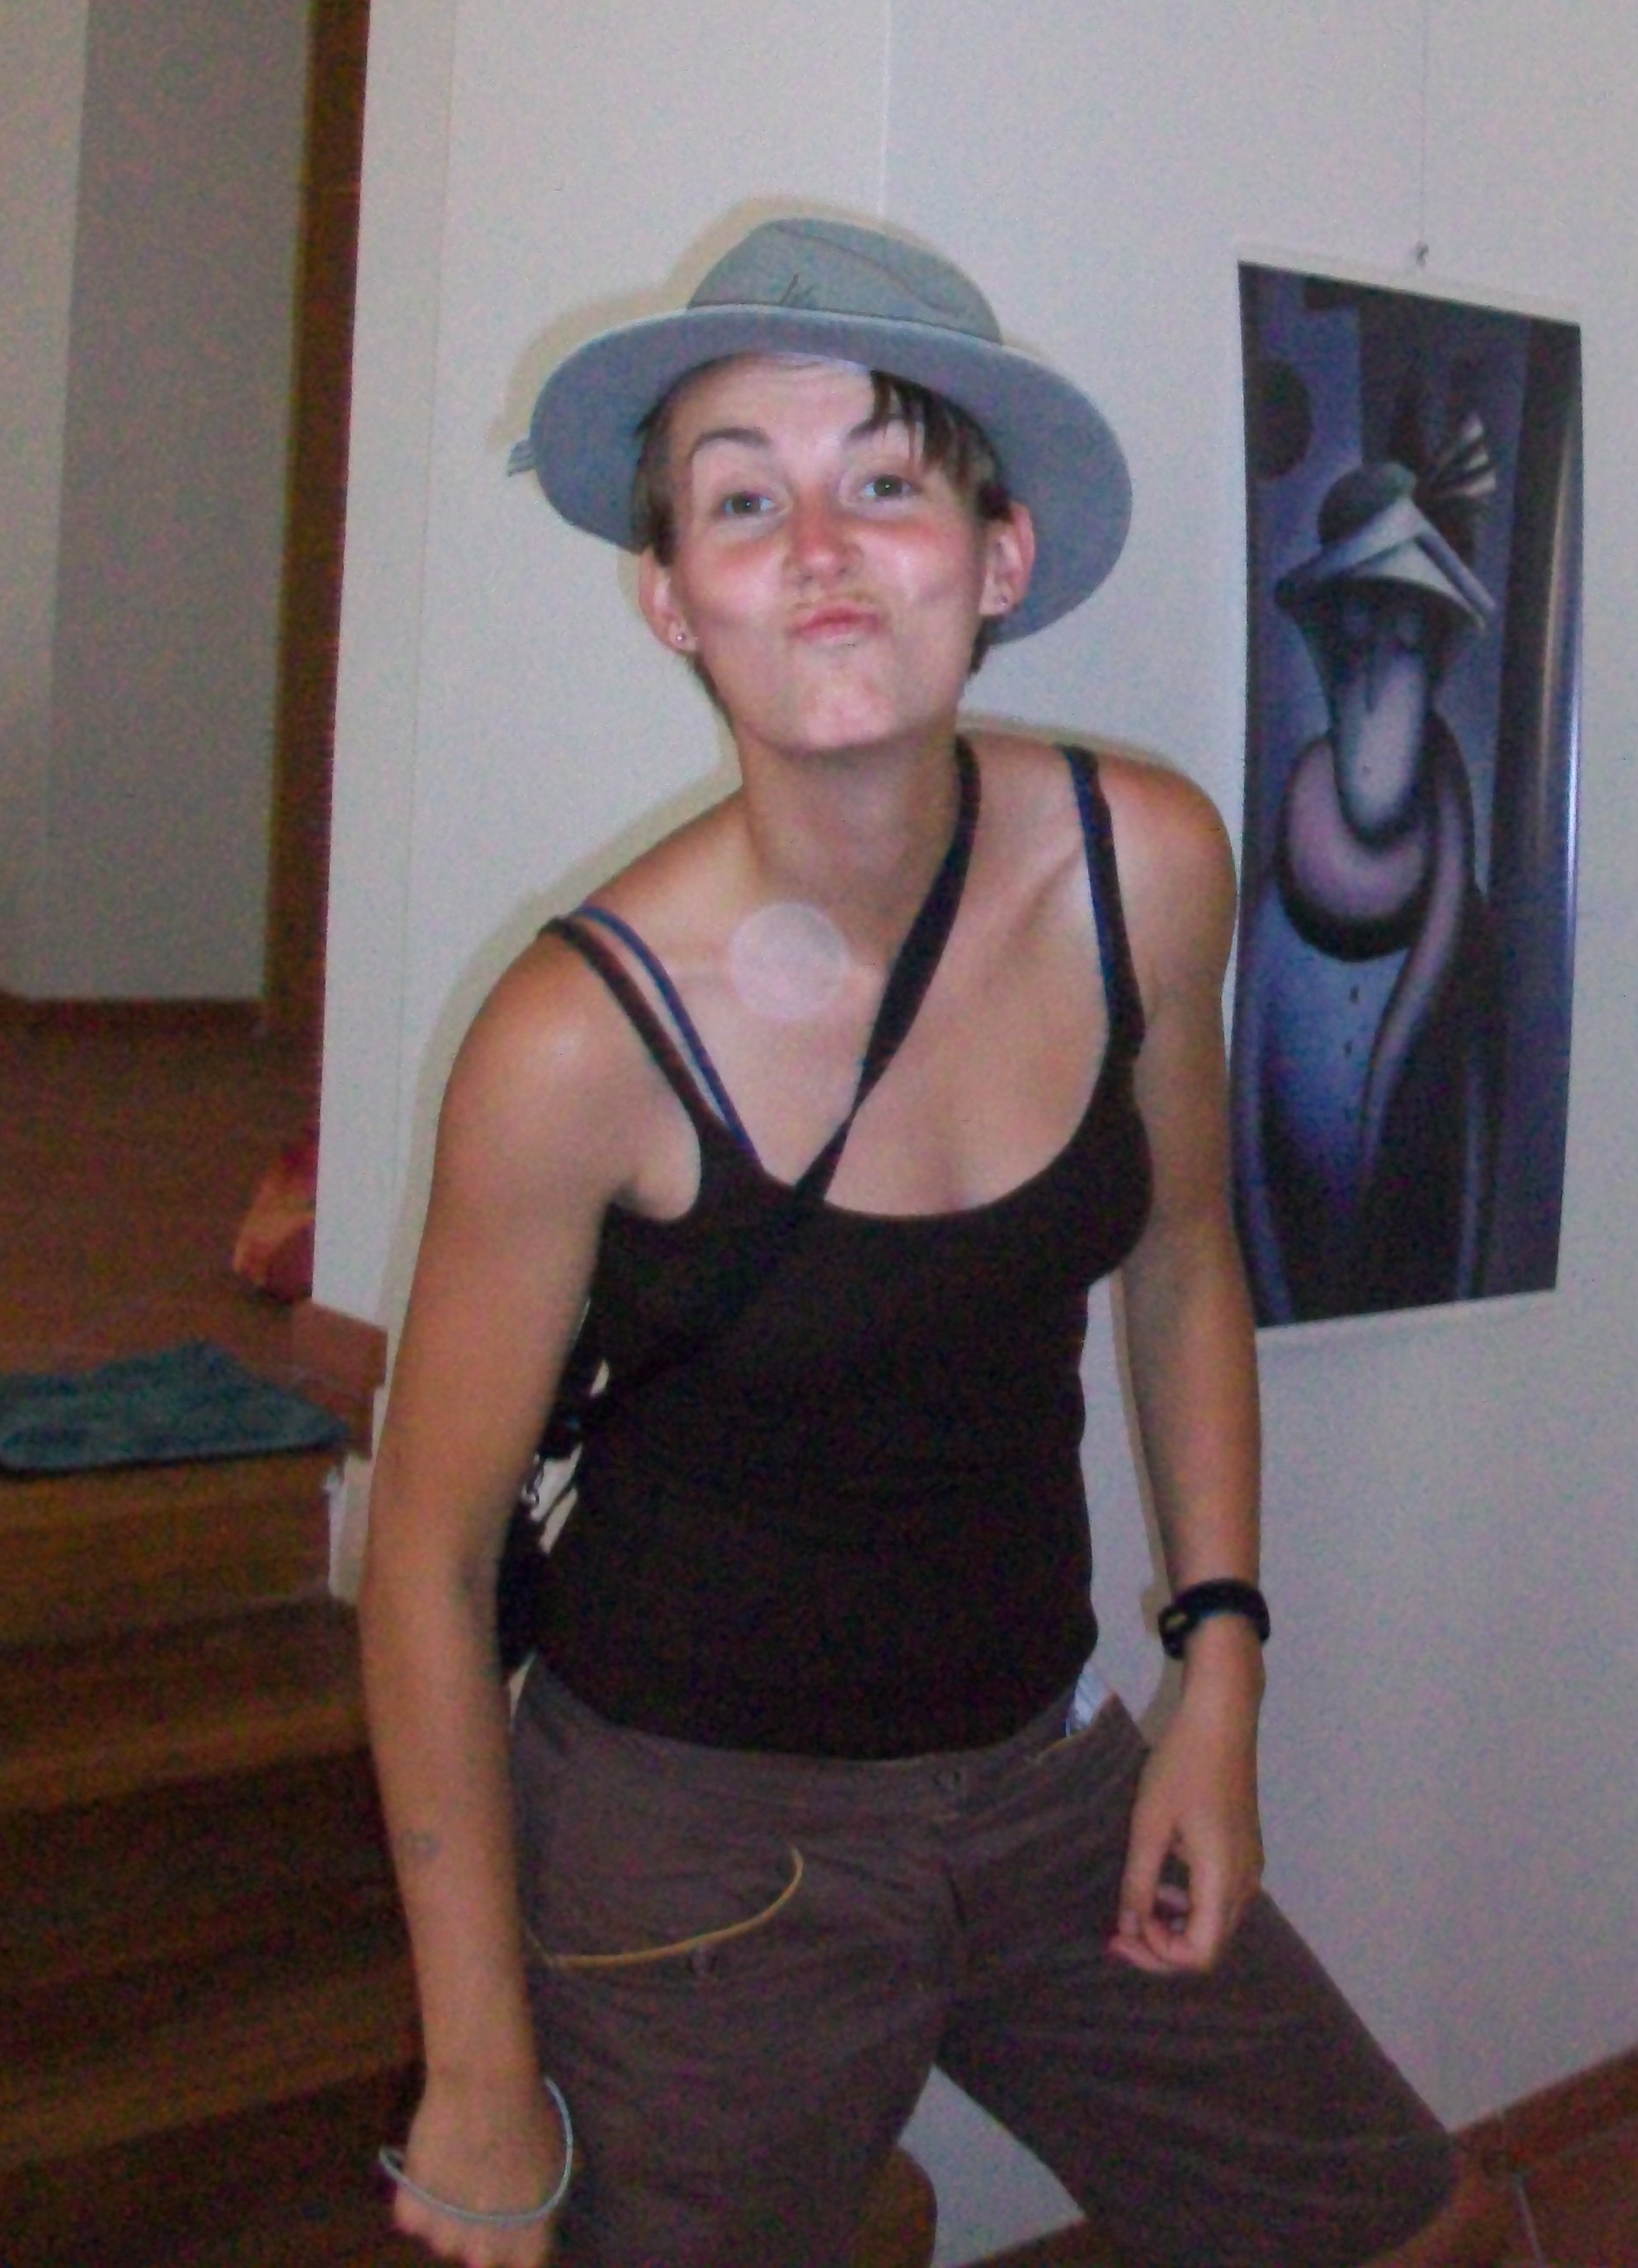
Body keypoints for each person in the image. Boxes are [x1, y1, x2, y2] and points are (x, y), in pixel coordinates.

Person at [360, 215, 1486, 2267]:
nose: (816, 550)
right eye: (739, 501)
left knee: (1415, 2230)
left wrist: (1215, 1672)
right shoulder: (571, 1042)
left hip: (1044, 1778)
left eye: (882, 480)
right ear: (669, 595)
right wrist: (476, 2065)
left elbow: (1179, 1255)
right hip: (688, 1848)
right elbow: (425, 1567)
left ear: (996, 556)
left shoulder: (1142, 864)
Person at [1232, 432, 1499, 1323]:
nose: (1380, 673)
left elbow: (1476, 1154)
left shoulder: (1465, 932)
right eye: (1357, 640)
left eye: (1406, 643)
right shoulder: (1274, 910)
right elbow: (1242, 1141)